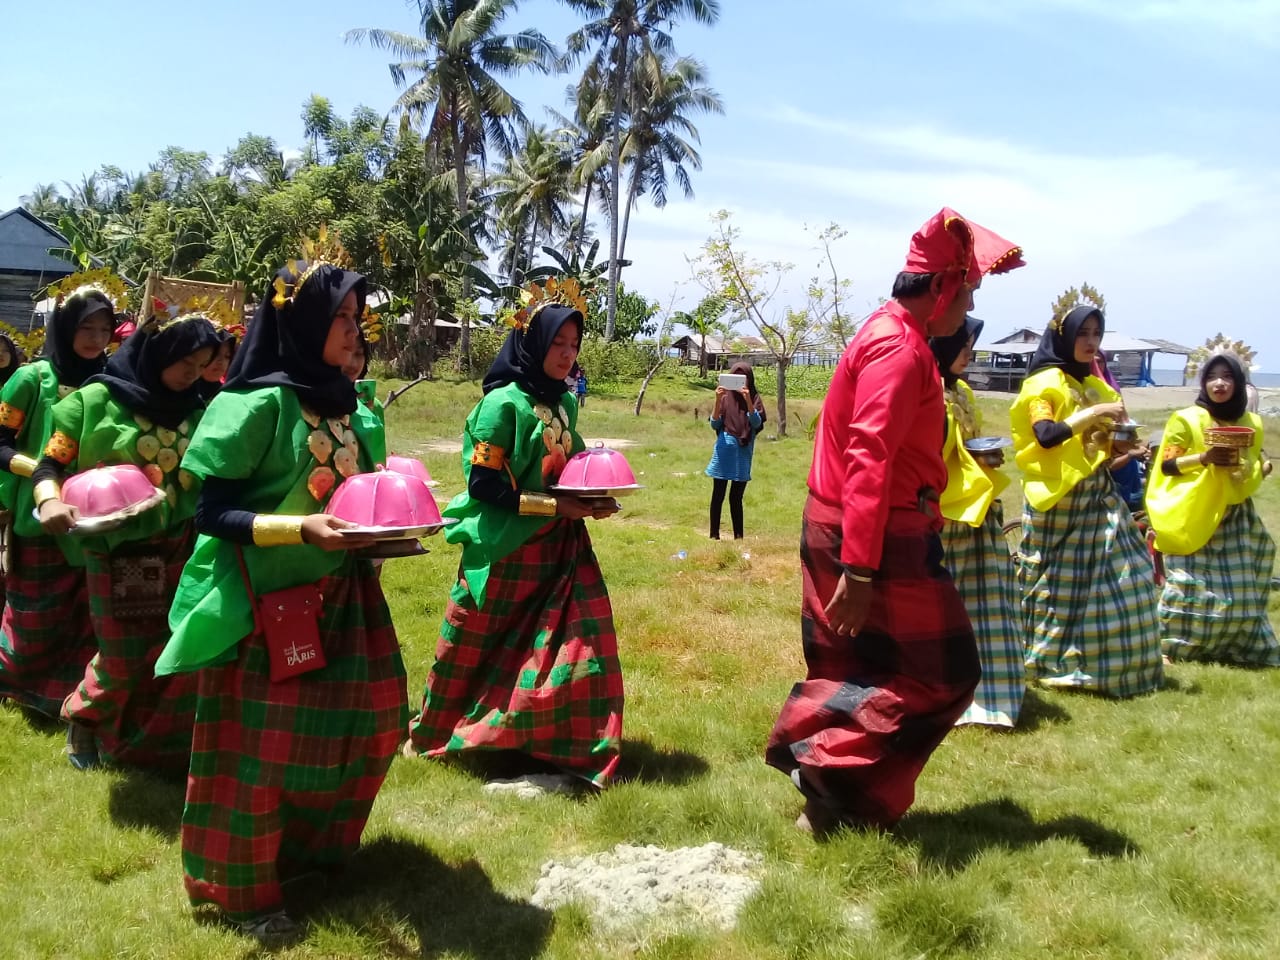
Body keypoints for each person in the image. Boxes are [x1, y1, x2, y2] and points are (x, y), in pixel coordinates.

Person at [155, 261, 403, 941]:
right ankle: (244, 894)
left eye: (359, 319)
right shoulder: (254, 405)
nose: (357, 332)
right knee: (258, 756)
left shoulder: (351, 406)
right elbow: (211, 514)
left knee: (371, 727)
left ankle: (311, 857)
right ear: (304, 323)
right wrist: (299, 528)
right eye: (343, 319)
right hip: (267, 605)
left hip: (345, 599)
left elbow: (361, 497)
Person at [765, 208, 1023, 834]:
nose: (968, 310)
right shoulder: (901, 349)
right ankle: (822, 765)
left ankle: (832, 804)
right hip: (878, 532)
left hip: (867, 524)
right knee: (948, 671)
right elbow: (869, 456)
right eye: (968, 293)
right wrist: (859, 566)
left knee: (863, 670)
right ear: (941, 289)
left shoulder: (888, 333)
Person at [404, 300, 624, 788]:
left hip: (560, 548)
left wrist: (594, 501)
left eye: (574, 345)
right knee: (475, 645)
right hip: (505, 548)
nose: (567, 355)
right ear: (532, 343)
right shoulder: (500, 405)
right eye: (557, 344)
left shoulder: (564, 403)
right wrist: (553, 508)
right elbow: (483, 484)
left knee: (578, 647)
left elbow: (572, 471)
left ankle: (558, 743)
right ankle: (438, 731)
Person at [33, 312, 221, 770]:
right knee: (122, 654)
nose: (191, 373)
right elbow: (49, 465)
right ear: (159, 351)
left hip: (181, 544)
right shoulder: (93, 402)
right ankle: (83, 715)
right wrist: (50, 502)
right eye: (184, 361)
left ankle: (150, 744)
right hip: (120, 550)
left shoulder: (198, 408)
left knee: (173, 649)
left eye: (201, 364)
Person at [1010, 305, 1163, 697]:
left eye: (1096, 333)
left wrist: (1123, 440)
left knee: (1126, 575)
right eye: (1083, 333)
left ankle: (1111, 664)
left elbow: (1106, 443)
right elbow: (1045, 434)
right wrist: (1094, 413)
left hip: (1098, 496)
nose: (1090, 341)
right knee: (1056, 587)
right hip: (1058, 499)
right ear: (1064, 336)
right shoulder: (1044, 384)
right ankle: (1044, 656)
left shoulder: (1097, 386)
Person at [0, 283, 112, 718]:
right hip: (41, 512)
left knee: (83, 613)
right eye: (87, 326)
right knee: (36, 611)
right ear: (65, 326)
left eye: (104, 328)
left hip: (96, 514)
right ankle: (16, 685)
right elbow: (2, 441)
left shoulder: (112, 380)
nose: (96, 337)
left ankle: (66, 693)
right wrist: (43, 472)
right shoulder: (33, 378)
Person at [1145, 354, 1278, 666]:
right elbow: (1167, 465)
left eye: (1228, 376)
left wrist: (1250, 468)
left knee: (1242, 587)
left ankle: (1237, 645)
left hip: (1235, 513)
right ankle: (1169, 644)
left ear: (1239, 382)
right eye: (1213, 376)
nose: (1220, 383)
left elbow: (1255, 463)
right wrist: (1203, 458)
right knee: (1189, 585)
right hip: (1196, 511)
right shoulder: (1186, 419)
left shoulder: (1251, 423)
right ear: (1203, 381)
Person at [930, 317, 1025, 728]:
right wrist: (974, 458)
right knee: (947, 605)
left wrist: (983, 459)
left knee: (986, 602)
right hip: (947, 512)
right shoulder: (929, 391)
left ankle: (990, 690)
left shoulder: (961, 391)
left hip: (978, 509)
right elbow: (932, 450)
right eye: (964, 344)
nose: (969, 352)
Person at [705, 362, 766, 540]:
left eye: (743, 378)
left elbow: (756, 423)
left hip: (743, 453)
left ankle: (738, 537)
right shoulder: (724, 397)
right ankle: (714, 535)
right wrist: (717, 400)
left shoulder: (754, 398)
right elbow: (714, 424)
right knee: (718, 495)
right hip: (723, 452)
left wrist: (748, 401)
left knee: (736, 497)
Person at [197, 327, 237, 402]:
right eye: (215, 354)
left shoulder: (227, 396)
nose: (221, 361)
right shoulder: (181, 393)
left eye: (227, 356)